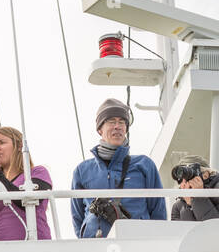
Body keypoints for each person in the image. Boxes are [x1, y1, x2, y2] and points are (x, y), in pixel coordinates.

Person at [71, 98, 166, 238]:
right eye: (111, 121)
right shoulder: (82, 170)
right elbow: (77, 217)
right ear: (99, 129)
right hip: (94, 247)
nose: (118, 126)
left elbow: (158, 212)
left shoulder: (144, 165)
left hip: (138, 245)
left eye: (122, 122)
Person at [0, 127, 52, 241]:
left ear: (19, 146)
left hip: (34, 245)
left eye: (2, 142)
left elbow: (26, 200)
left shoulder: (37, 172)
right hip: (0, 248)